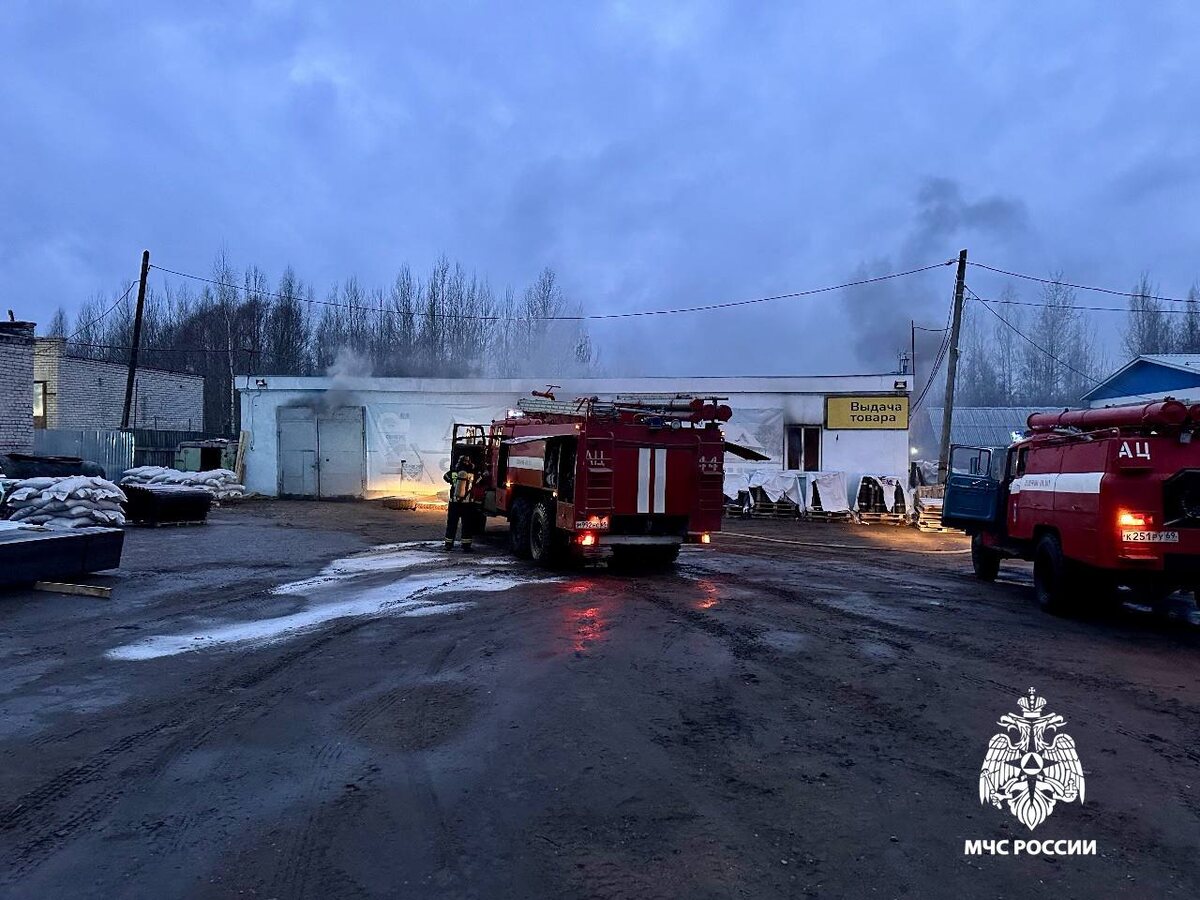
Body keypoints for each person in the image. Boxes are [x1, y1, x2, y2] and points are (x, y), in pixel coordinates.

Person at [443, 454, 479, 551]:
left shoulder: (453, 473)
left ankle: (448, 544)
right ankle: (466, 546)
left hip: (454, 503)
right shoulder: (472, 474)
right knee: (467, 525)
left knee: (451, 524)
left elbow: (445, 477)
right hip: (467, 504)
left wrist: (453, 481)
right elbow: (479, 481)